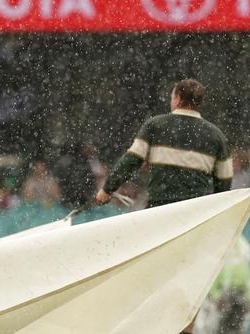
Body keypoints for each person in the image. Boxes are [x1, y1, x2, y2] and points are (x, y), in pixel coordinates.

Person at [95, 79, 233, 334]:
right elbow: (224, 184)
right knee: (188, 282)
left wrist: (107, 189)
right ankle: (184, 328)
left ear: (178, 98)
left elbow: (131, 160)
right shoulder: (216, 136)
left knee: (157, 277)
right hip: (196, 219)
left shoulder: (156, 126)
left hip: (161, 215)